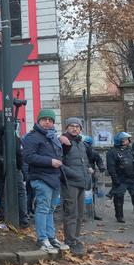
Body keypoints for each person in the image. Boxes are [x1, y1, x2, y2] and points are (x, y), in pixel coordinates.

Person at [21, 109, 66, 254]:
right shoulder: (32, 137)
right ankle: (42, 239)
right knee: (43, 208)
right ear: (39, 120)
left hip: (54, 177)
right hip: (41, 177)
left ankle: (51, 237)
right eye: (44, 119)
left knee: (51, 209)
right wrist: (50, 161)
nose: (47, 122)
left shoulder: (53, 137)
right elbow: (28, 157)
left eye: (50, 120)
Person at [58, 117, 91, 256]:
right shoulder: (64, 142)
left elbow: (85, 163)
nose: (74, 128)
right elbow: (60, 163)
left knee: (80, 214)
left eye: (77, 126)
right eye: (71, 126)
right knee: (71, 213)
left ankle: (76, 239)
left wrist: (88, 173)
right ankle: (70, 241)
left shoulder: (81, 144)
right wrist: (73, 174)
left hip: (81, 183)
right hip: (69, 183)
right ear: (67, 128)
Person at [106, 132, 134, 223]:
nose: (128, 141)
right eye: (125, 139)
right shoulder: (112, 152)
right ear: (120, 141)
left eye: (127, 139)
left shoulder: (130, 150)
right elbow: (111, 167)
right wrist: (115, 179)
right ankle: (119, 216)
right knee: (119, 197)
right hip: (121, 178)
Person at [83, 135, 106, 221]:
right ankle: (84, 213)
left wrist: (101, 168)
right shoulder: (77, 150)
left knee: (90, 195)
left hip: (90, 175)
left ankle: (92, 212)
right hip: (82, 174)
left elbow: (99, 161)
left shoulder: (93, 152)